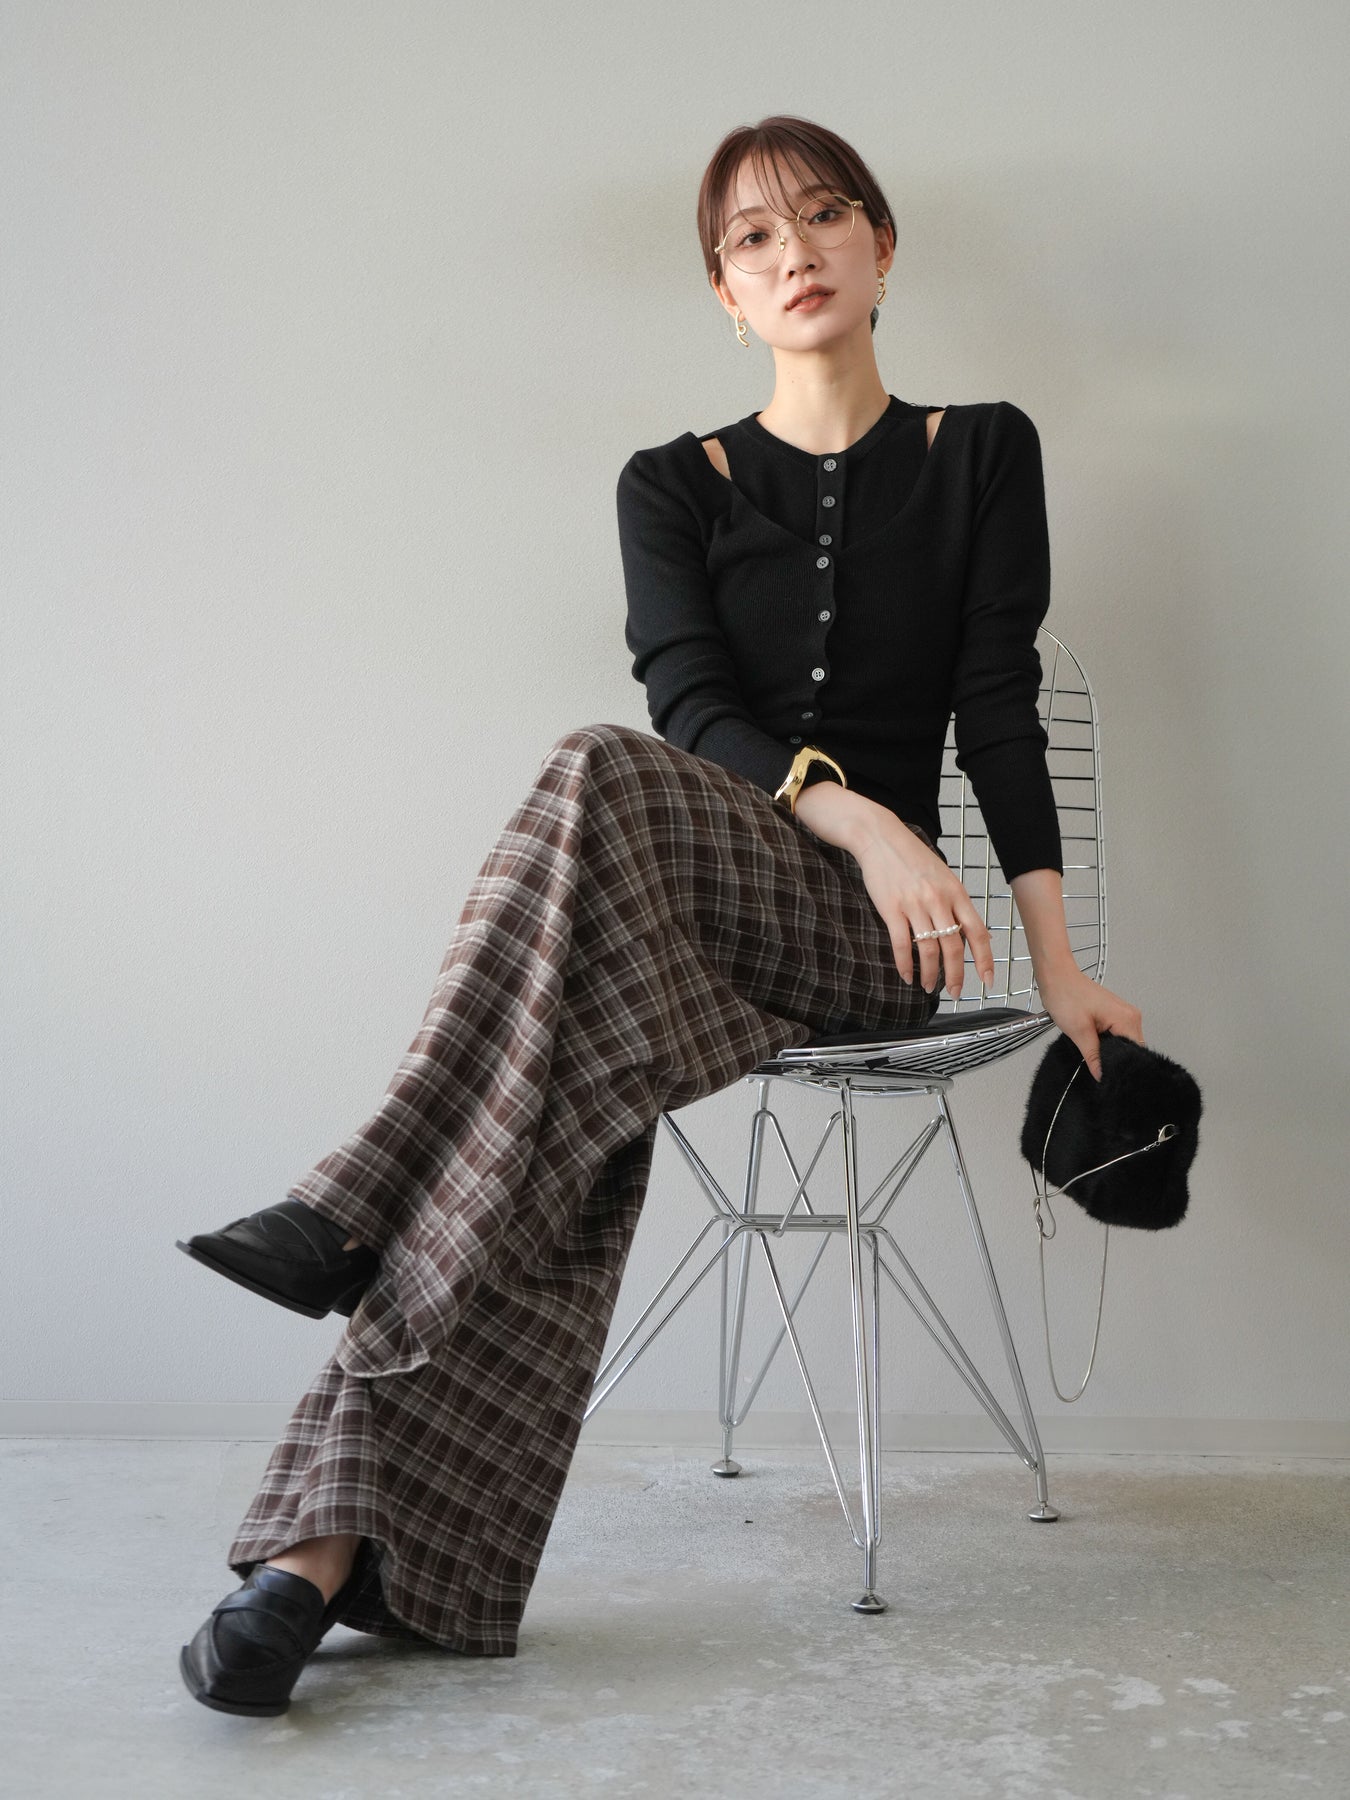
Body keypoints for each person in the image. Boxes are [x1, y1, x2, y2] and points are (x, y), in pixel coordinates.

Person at [176, 113, 1144, 1717]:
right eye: (754, 238)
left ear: (881, 246)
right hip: (698, 921)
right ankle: (317, 1560)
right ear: (723, 293)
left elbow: (998, 711)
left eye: (823, 216)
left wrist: (1057, 968)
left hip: (866, 956)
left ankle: (357, 1203)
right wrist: (856, 814)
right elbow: (691, 705)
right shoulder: (667, 486)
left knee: (588, 771)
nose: (795, 251)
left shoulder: (980, 452)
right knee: (545, 1120)